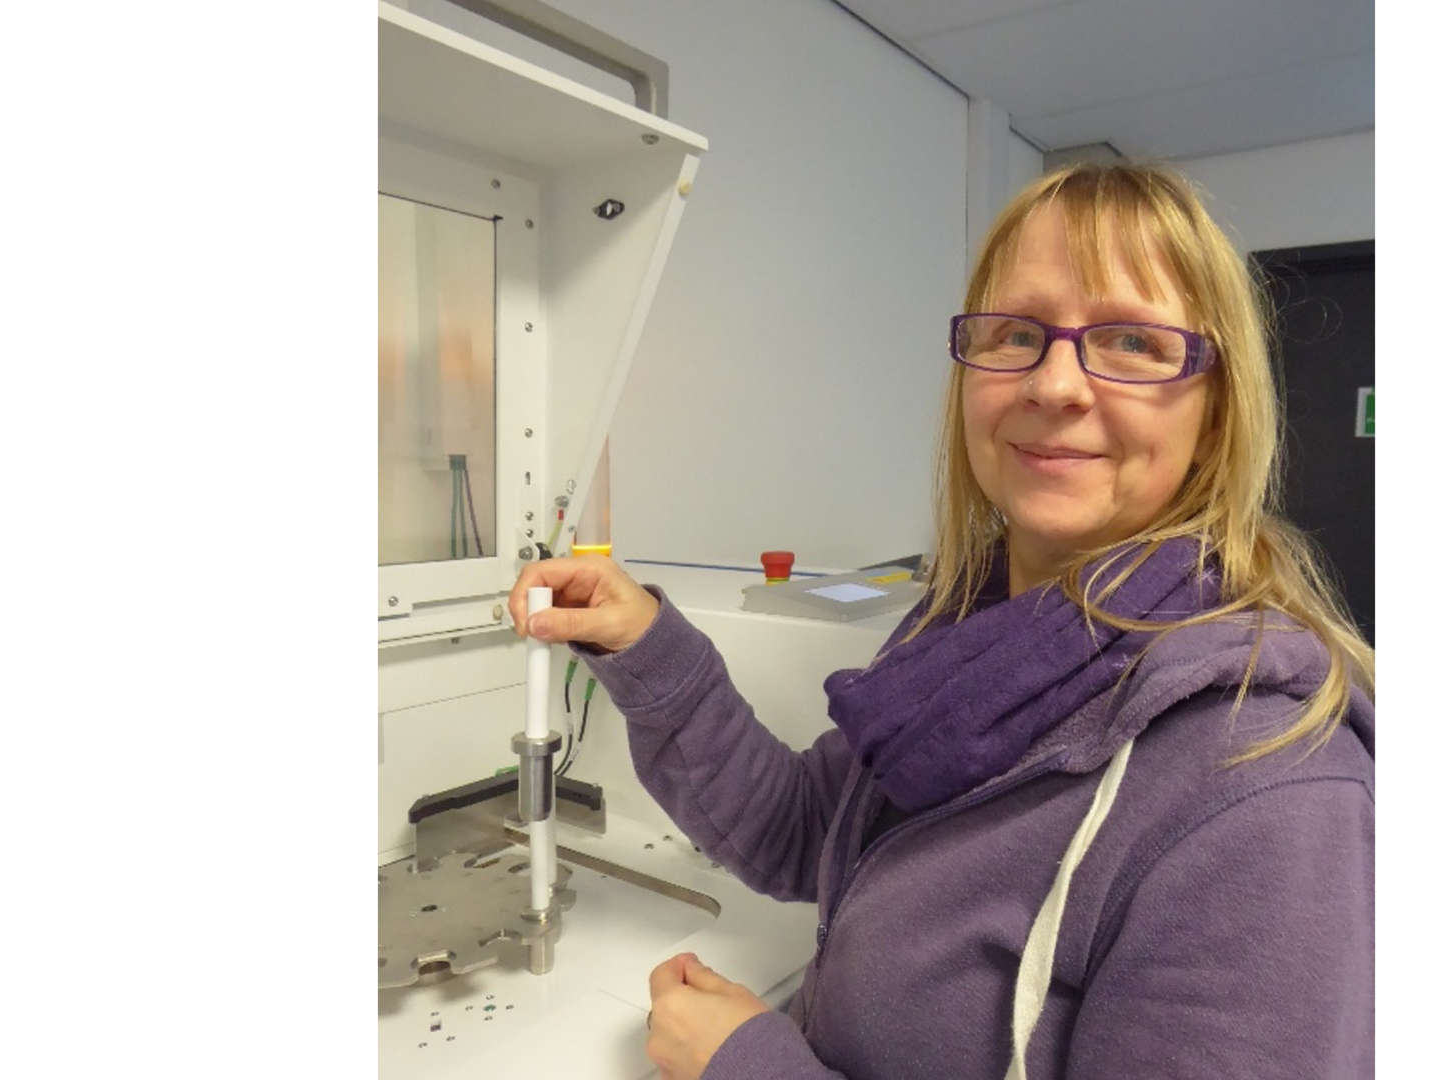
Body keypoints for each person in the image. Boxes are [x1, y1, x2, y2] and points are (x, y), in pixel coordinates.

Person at [509, 162, 1376, 1080]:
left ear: (1217, 410)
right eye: (1016, 333)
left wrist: (748, 1065)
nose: (1055, 383)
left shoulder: (1268, 787)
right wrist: (644, 642)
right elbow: (805, 831)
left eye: (1131, 340)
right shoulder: (972, 632)